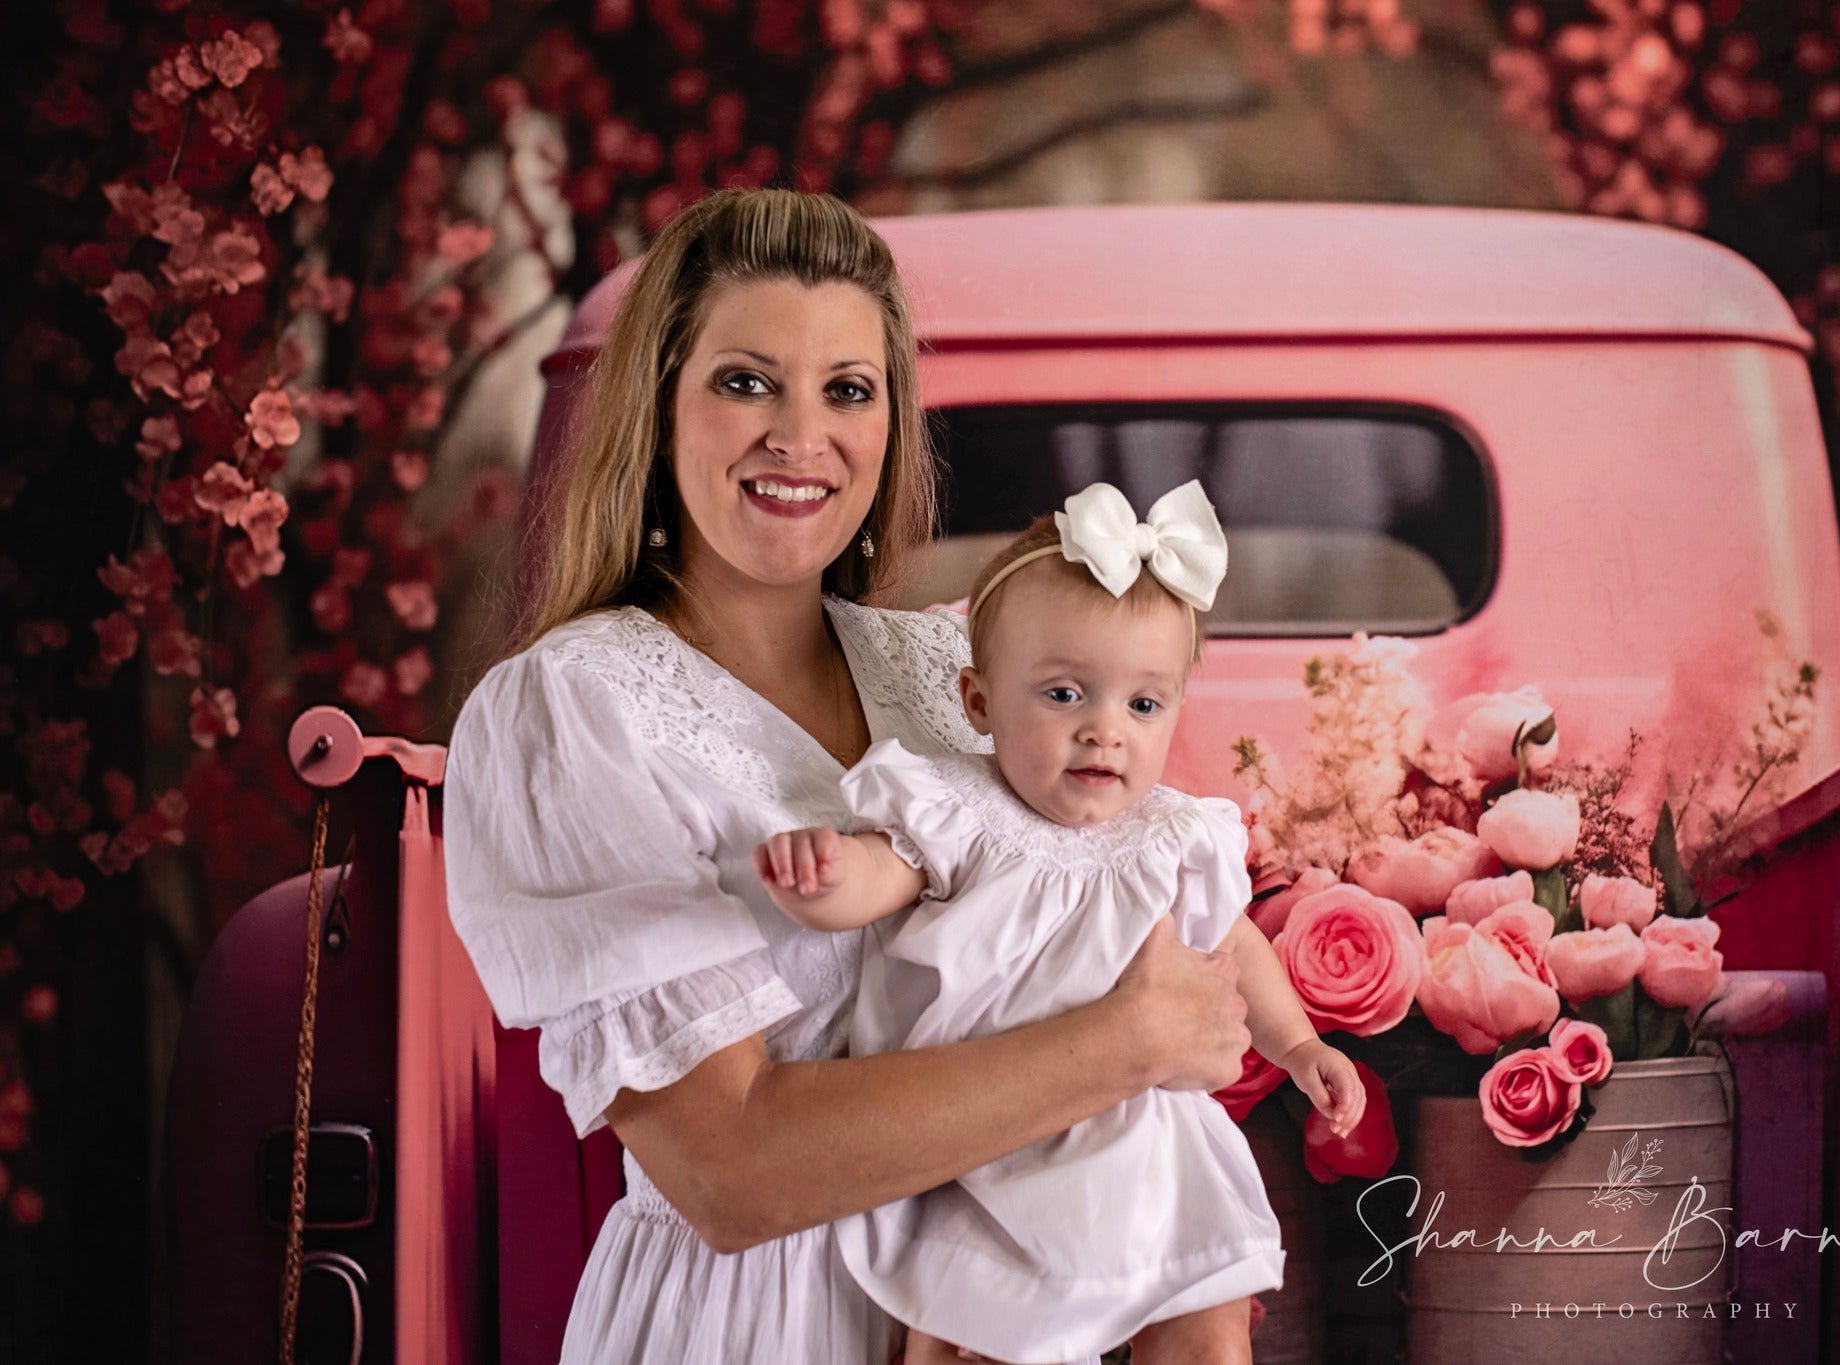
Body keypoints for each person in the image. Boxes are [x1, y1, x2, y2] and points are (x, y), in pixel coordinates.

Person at [442, 186, 1251, 1364]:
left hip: (991, 1303)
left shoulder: (944, 670)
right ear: (657, 410)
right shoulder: (574, 710)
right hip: (754, 1326)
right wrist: (1125, 1045)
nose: (798, 436)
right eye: (744, 382)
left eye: (847, 390)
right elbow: (728, 1169)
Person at [753, 483, 1366, 1365]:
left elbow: (1235, 942)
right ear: (978, 701)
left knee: (1208, 1324)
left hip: (1143, 1148)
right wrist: (821, 878)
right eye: (1065, 694)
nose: (1104, 731)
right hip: (988, 1136)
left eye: (1142, 705)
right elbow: (880, 876)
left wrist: (1301, 1046)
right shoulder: (959, 811)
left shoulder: (1172, 836)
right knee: (976, 1335)